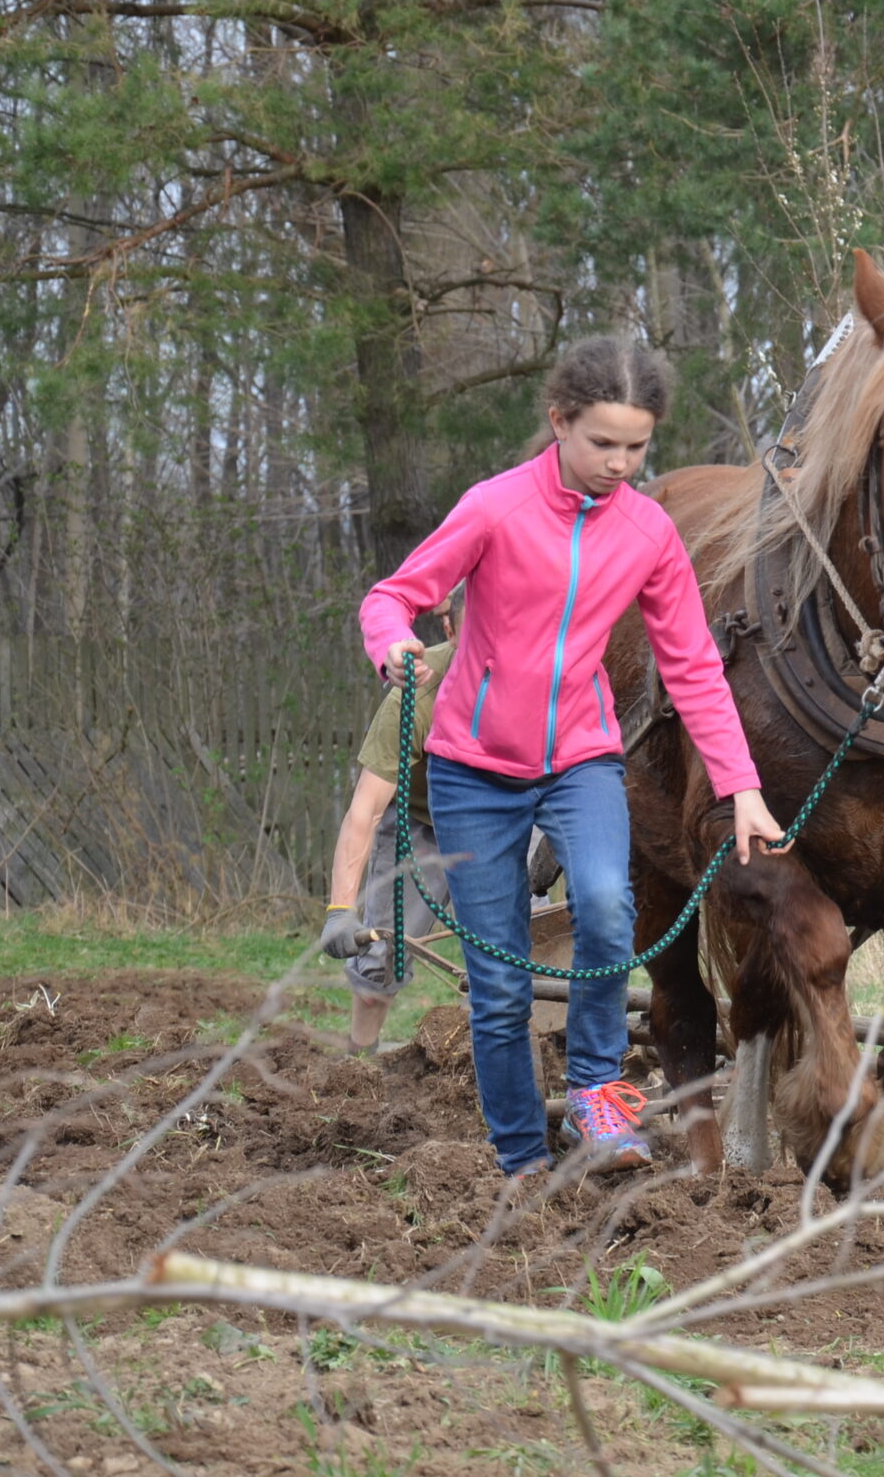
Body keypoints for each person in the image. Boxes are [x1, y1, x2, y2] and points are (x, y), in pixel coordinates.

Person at [358, 336, 786, 1178]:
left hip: (581, 759)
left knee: (603, 904)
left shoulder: (648, 531)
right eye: (603, 443)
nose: (619, 463)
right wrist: (392, 644)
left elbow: (695, 668)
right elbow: (393, 595)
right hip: (473, 769)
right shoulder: (494, 508)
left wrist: (740, 786)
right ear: (559, 422)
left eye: (637, 446)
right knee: (499, 985)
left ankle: (598, 1100)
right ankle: (522, 1158)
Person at [319, 588, 461, 1055]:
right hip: (421, 822)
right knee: (381, 960)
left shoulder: (541, 680)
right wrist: (340, 911)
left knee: (533, 942)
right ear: (450, 628)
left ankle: (534, 1057)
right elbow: (366, 809)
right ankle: (359, 1063)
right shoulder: (416, 696)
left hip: (510, 821)